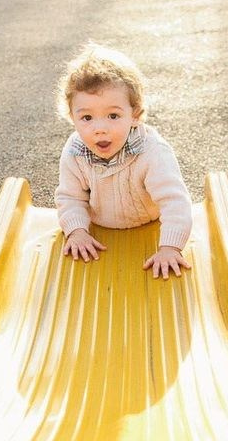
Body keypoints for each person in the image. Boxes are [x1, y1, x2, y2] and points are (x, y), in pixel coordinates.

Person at [54, 42, 192, 279]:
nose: (100, 128)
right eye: (87, 117)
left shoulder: (152, 152)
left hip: (149, 223)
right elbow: (70, 197)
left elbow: (174, 202)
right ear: (72, 117)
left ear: (135, 115)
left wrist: (170, 247)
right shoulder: (75, 152)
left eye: (113, 115)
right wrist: (76, 231)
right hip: (101, 234)